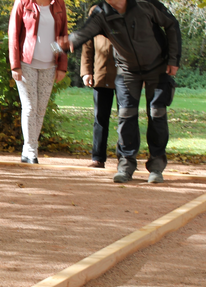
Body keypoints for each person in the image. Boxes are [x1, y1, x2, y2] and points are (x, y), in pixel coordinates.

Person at [59, 0, 180, 183]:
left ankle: (156, 166)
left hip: (158, 67)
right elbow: (81, 36)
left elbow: (171, 24)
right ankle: (125, 165)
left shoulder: (145, 4)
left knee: (157, 113)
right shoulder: (101, 13)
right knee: (126, 115)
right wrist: (55, 46)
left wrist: (173, 59)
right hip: (127, 70)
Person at [9, 0, 68, 164]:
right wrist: (15, 65)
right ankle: (30, 150)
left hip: (50, 65)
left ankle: (29, 149)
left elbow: (63, 35)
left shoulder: (58, 4)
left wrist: (62, 65)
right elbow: (14, 34)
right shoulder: (23, 2)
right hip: (26, 63)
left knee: (40, 109)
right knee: (29, 107)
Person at [79, 5, 117, 169]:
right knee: (100, 118)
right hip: (102, 74)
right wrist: (86, 71)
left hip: (127, 76)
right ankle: (98, 158)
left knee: (127, 118)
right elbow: (87, 44)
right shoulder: (96, 10)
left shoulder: (131, 10)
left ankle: (126, 159)